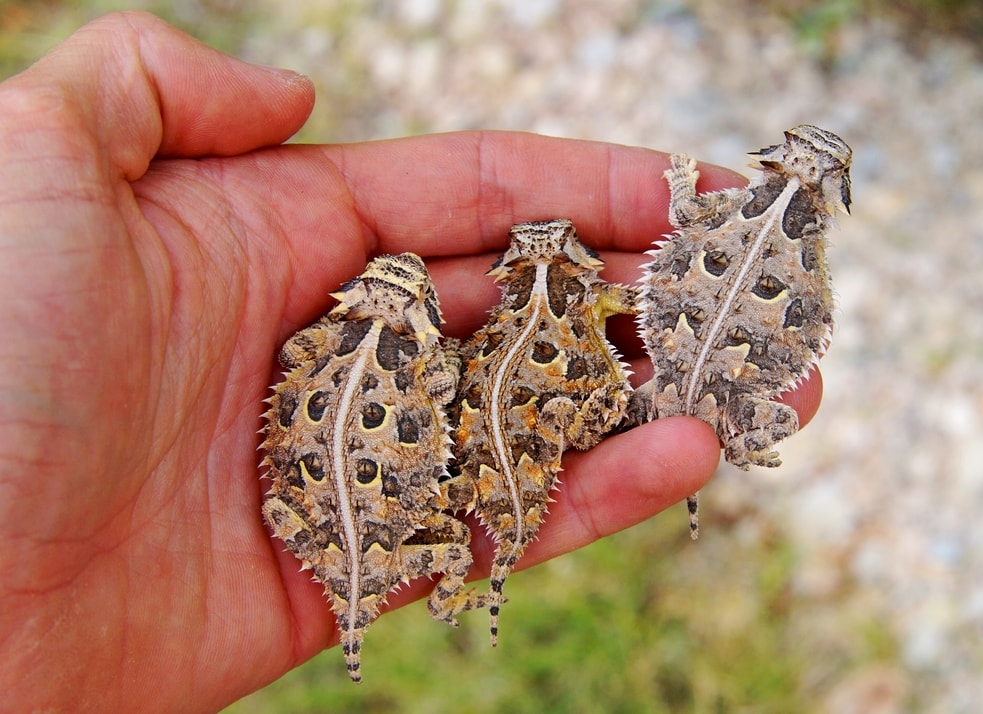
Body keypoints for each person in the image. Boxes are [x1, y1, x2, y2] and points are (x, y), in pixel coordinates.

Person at [0, 11, 821, 712]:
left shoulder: (337, 346)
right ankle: (457, 585)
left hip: (326, 520)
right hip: (368, 512)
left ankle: (451, 584)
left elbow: (344, 377)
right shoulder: (424, 363)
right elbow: (428, 398)